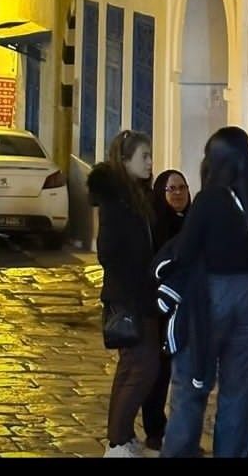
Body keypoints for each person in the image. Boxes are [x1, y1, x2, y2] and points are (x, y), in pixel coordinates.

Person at [159, 126, 248, 459]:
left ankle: (179, 451)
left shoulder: (208, 201)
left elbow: (186, 251)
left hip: (211, 297)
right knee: (239, 390)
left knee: (192, 383)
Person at [87, 129, 164, 458]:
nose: (150, 162)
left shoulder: (136, 195)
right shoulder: (117, 202)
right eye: (143, 157)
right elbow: (107, 251)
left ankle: (120, 436)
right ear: (124, 160)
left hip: (140, 294)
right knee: (143, 367)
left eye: (150, 156)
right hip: (130, 296)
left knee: (132, 367)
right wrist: (139, 277)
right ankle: (118, 443)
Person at [140, 169, 192, 454]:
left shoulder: (195, 223)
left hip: (189, 310)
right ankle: (155, 429)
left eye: (182, 187)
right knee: (159, 373)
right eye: (171, 189)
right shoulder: (156, 225)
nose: (178, 193)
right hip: (162, 309)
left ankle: (183, 435)